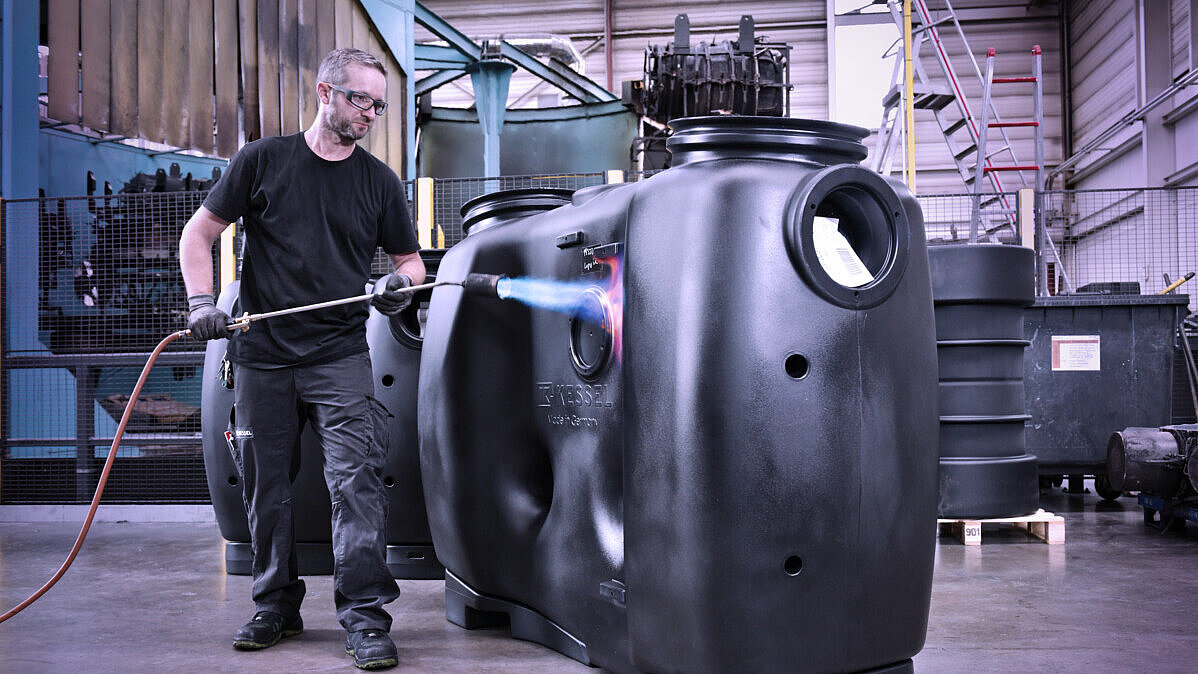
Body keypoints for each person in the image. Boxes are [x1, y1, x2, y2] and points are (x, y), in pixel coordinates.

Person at [178, 47, 423, 671]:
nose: (369, 112)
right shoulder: (263, 161)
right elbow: (199, 233)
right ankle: (274, 605)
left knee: (357, 485)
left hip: (341, 355)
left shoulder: (379, 182)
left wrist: (400, 288)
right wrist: (202, 300)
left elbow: (408, 264)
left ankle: (365, 616)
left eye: (378, 104)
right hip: (261, 355)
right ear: (324, 92)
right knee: (266, 491)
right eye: (358, 99)